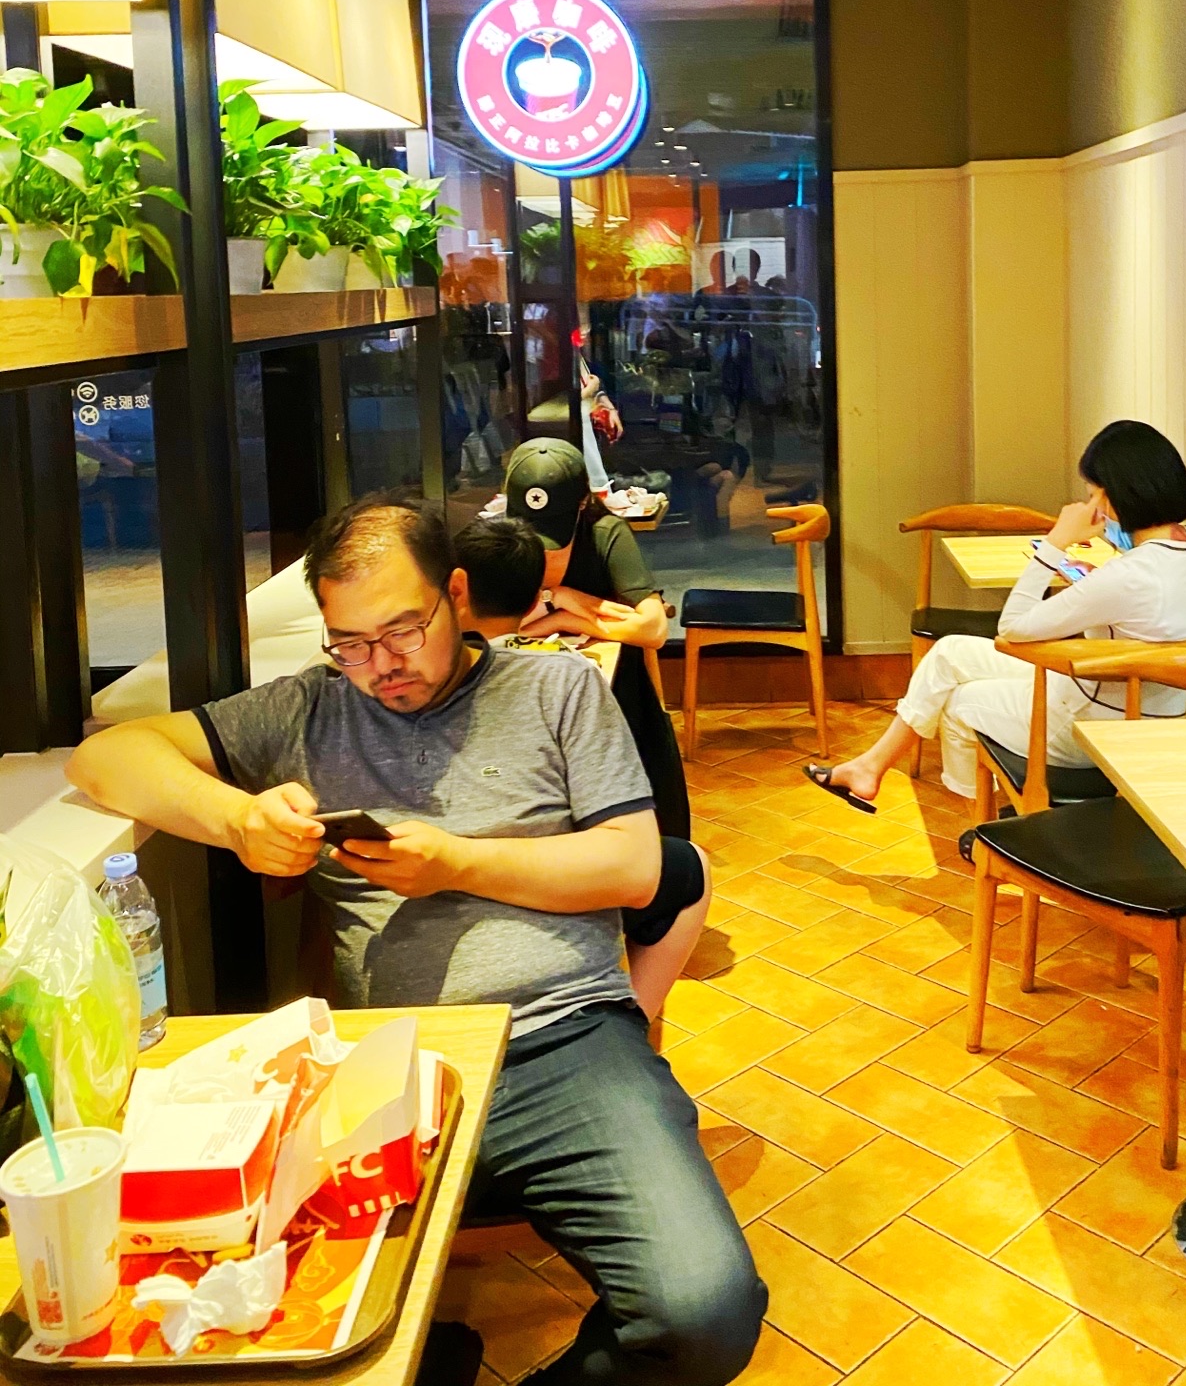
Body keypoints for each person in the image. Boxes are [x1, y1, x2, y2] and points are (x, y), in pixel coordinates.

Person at [67, 493, 766, 1386]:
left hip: (566, 1047)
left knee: (704, 1312)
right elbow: (105, 757)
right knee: (211, 1299)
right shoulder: (307, 710)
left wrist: (458, 864)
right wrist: (238, 819)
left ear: (456, 595)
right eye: (350, 644)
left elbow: (633, 866)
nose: (380, 666)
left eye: (403, 631)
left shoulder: (556, 690)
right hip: (388, 1071)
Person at [806, 420, 1186, 814]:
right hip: (1139, 703)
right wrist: (1096, 580)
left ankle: (987, 825)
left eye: (1095, 494)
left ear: (1120, 495)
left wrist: (1056, 542)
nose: (1091, 505)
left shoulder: (1128, 576)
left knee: (959, 702)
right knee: (949, 653)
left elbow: (1012, 627)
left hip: (1099, 725)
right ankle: (870, 768)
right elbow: (1144, 599)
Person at [456, 514, 710, 1019]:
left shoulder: (401, 681)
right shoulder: (572, 680)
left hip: (452, 896)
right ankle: (631, 1019)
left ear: (453, 590)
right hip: (538, 906)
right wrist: (568, 614)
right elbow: (629, 856)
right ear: (534, 595)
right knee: (684, 867)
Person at [497, 438, 690, 838]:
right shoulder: (498, 540)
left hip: (610, 692)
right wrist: (556, 600)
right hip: (523, 691)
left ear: (584, 502)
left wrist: (569, 616)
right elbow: (488, 635)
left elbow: (653, 630)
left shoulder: (604, 533)